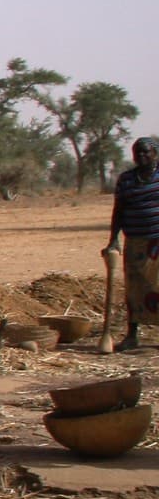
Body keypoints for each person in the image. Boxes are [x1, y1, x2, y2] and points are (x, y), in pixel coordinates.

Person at [105, 135, 159, 351]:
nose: (142, 155)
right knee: (134, 289)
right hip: (135, 241)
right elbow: (118, 211)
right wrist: (113, 240)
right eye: (138, 152)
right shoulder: (127, 179)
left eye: (146, 151)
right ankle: (132, 335)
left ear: (155, 153)